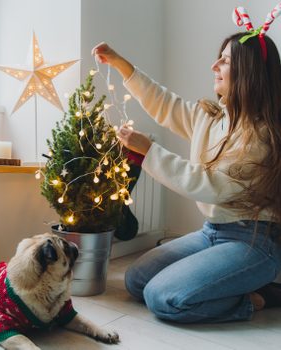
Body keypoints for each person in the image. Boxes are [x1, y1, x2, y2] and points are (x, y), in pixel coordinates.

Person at [92, 10, 281, 323]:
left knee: (162, 298)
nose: (214, 66)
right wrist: (120, 63)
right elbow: (165, 104)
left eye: (225, 61)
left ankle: (261, 297)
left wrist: (148, 151)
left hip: (253, 242)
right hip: (212, 233)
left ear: (249, 74)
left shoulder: (261, 138)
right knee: (136, 280)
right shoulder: (213, 119)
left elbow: (206, 184)